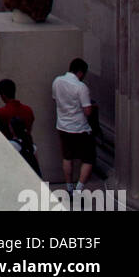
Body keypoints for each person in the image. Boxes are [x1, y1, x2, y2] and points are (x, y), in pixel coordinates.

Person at [52, 57, 95, 201]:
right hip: (79, 128)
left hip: (63, 126)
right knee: (89, 159)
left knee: (67, 157)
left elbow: (55, 100)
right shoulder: (81, 87)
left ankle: (69, 188)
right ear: (81, 73)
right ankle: (78, 190)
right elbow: (88, 111)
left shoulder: (57, 81)